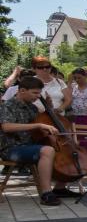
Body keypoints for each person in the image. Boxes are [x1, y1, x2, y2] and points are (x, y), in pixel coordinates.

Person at [0, 77, 63, 206]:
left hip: (29, 146)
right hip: (12, 149)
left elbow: (40, 126)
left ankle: (61, 187)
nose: (38, 96)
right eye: (35, 93)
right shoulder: (7, 105)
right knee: (47, 150)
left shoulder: (32, 108)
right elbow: (7, 127)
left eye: (39, 93)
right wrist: (38, 126)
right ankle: (46, 193)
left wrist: (49, 108)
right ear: (22, 90)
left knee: (63, 152)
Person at [2, 57, 70, 114]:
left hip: (57, 117)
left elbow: (68, 99)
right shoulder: (29, 81)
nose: (45, 69)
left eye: (47, 67)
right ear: (34, 69)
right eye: (40, 67)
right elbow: (20, 97)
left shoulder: (60, 82)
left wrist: (60, 109)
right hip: (34, 116)